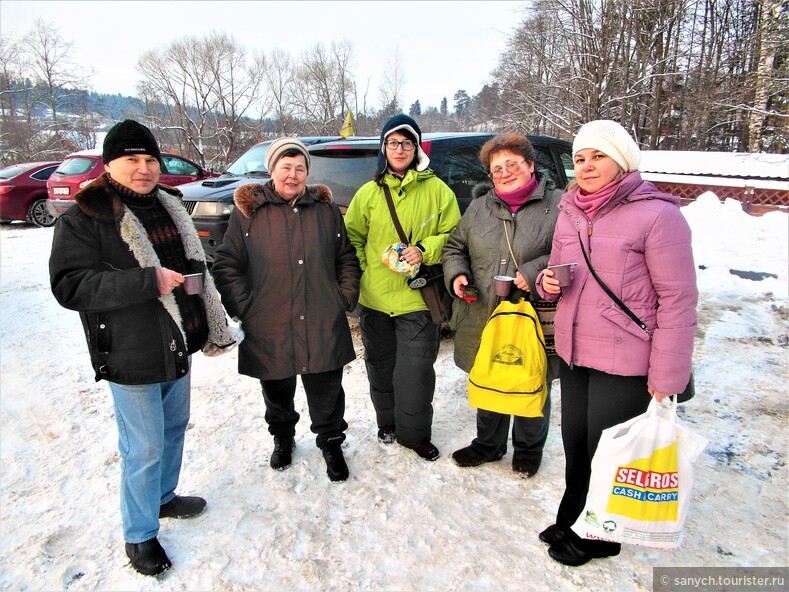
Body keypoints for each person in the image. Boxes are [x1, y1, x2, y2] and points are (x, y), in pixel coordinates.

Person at [49, 119, 237, 577]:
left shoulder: (170, 205)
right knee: (144, 447)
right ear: (109, 165)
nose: (144, 168)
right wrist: (146, 281)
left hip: (178, 342)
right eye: (132, 159)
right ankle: (139, 535)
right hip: (131, 352)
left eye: (150, 159)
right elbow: (69, 285)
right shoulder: (85, 216)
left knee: (174, 428)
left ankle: (163, 497)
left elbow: (185, 260)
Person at [536, 120, 698, 566]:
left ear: (622, 161)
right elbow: (557, 269)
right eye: (581, 158)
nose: (586, 167)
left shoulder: (658, 215)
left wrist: (668, 375)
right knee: (577, 442)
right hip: (575, 350)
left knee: (610, 452)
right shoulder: (571, 209)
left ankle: (601, 537)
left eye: (598, 157)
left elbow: (678, 300)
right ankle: (574, 516)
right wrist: (548, 284)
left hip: (626, 358)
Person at [211, 138, 360, 483]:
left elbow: (346, 257)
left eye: (300, 168)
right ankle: (283, 437)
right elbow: (227, 263)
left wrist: (343, 296)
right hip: (269, 317)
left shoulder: (325, 210)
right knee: (276, 384)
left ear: (307, 172)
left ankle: (331, 441)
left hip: (322, 313)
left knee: (326, 384)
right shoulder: (249, 212)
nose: (292, 175)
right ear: (272, 169)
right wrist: (245, 306)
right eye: (285, 167)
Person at [442, 133, 562, 477]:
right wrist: (457, 275)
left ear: (531, 166)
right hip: (484, 311)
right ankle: (488, 444)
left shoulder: (558, 205)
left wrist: (534, 269)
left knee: (530, 376)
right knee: (490, 372)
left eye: (513, 164)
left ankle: (528, 448)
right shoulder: (480, 207)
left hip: (534, 312)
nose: (506, 172)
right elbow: (454, 247)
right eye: (498, 169)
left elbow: (575, 252)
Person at [344, 114, 461, 461]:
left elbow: (453, 235)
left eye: (407, 142)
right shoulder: (368, 193)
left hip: (417, 299)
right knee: (380, 365)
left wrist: (424, 249)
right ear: (384, 148)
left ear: (416, 149)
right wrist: (366, 273)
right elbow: (352, 238)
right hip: (376, 300)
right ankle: (387, 423)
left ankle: (416, 434)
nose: (400, 149)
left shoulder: (438, 190)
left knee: (415, 370)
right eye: (393, 143)